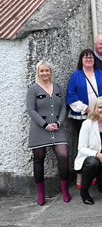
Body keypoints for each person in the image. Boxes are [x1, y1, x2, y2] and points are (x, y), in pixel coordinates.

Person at [66, 49, 102, 188]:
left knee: (98, 144)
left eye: (91, 58)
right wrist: (87, 109)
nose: (88, 60)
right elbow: (71, 95)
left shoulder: (101, 74)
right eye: (85, 58)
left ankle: (94, 173)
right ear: (81, 60)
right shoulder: (76, 75)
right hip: (82, 116)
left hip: (100, 115)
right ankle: (80, 174)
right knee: (83, 146)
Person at [27, 61, 71, 205]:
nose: (45, 73)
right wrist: (45, 125)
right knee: (39, 158)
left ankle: (65, 190)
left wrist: (59, 122)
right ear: (38, 72)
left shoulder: (58, 87)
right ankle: (41, 194)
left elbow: (64, 107)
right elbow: (31, 110)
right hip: (39, 129)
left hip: (57, 129)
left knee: (63, 156)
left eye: (47, 70)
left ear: (51, 72)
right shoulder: (33, 89)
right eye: (42, 71)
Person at [75, 97, 102, 205]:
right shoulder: (87, 124)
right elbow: (81, 148)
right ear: (95, 109)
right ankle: (84, 192)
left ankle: (100, 180)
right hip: (90, 158)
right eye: (100, 107)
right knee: (93, 163)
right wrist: (97, 155)